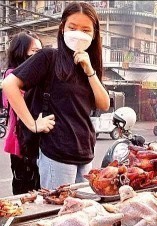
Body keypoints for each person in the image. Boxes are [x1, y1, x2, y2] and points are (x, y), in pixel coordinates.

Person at [3, 2, 109, 190]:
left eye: (86, 30)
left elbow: (104, 104)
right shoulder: (48, 57)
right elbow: (9, 84)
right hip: (57, 154)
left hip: (85, 153)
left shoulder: (89, 64)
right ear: (62, 28)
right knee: (59, 214)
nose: (78, 33)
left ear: (94, 34)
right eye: (72, 27)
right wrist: (33, 124)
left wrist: (90, 71)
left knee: (82, 214)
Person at [2, 31, 42, 195]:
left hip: (36, 141)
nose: (40, 56)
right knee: (24, 188)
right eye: (35, 51)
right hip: (22, 142)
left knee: (39, 187)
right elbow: (11, 101)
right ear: (21, 52)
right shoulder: (12, 76)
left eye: (41, 50)